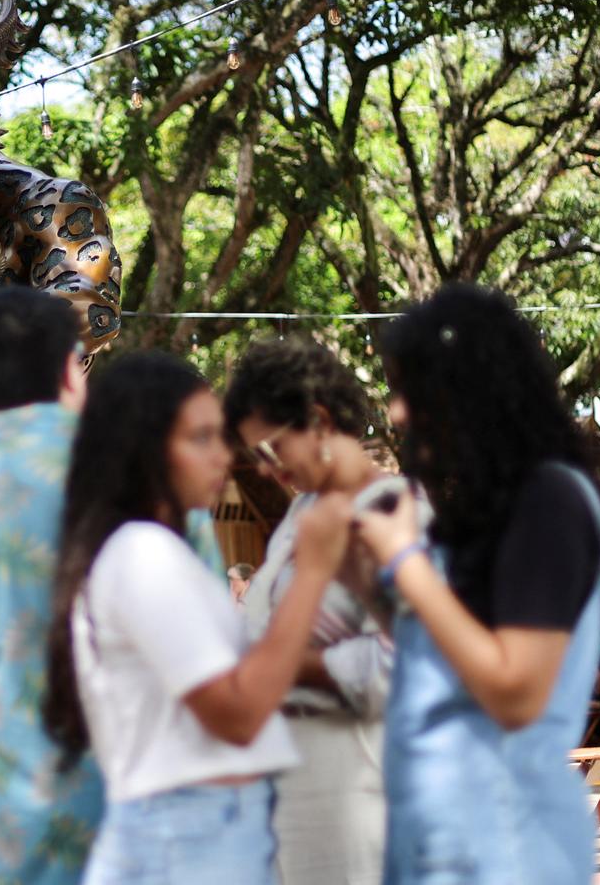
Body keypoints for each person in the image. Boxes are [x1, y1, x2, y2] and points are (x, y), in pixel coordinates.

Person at [0, 287, 227, 885]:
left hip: (27, 832)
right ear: (73, 369)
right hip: (174, 814)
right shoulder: (157, 478)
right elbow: (217, 637)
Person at [45, 352, 348, 885]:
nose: (224, 458)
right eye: (200, 439)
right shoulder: (143, 554)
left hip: (197, 828)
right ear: (146, 448)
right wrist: (314, 573)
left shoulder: (151, 550)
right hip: (188, 836)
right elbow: (237, 713)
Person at [352, 284, 600, 885]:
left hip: (506, 849)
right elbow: (453, 663)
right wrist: (372, 583)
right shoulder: (485, 507)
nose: (396, 414)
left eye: (407, 390)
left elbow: (516, 691)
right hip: (442, 843)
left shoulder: (551, 501)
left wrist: (406, 564)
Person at [224, 338, 418, 885]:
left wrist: (284, 667)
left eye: (270, 449)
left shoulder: (395, 509)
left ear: (318, 419)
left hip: (359, 782)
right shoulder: (301, 514)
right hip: (286, 781)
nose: (263, 469)